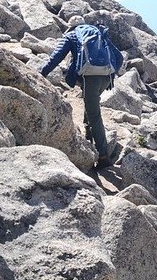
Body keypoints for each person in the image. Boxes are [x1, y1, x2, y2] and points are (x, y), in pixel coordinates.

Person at [40, 16, 123, 169]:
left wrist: (41, 74)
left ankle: (103, 156)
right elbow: (119, 57)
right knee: (91, 104)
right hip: (105, 77)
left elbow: (57, 56)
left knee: (95, 115)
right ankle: (88, 135)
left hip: (89, 78)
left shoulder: (72, 35)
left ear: (71, 27)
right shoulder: (97, 32)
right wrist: (110, 74)